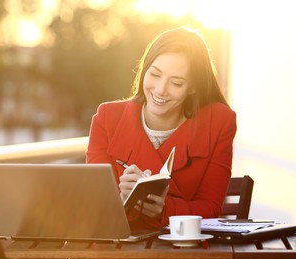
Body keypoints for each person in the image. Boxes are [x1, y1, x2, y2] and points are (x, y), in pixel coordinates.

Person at [86, 27, 237, 229]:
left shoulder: (219, 122)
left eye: (176, 82)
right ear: (145, 69)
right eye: (154, 74)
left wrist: (166, 209)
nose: (160, 90)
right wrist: (121, 198)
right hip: (119, 248)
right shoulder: (107, 118)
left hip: (184, 250)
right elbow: (93, 206)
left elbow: (211, 208)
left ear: (193, 87)